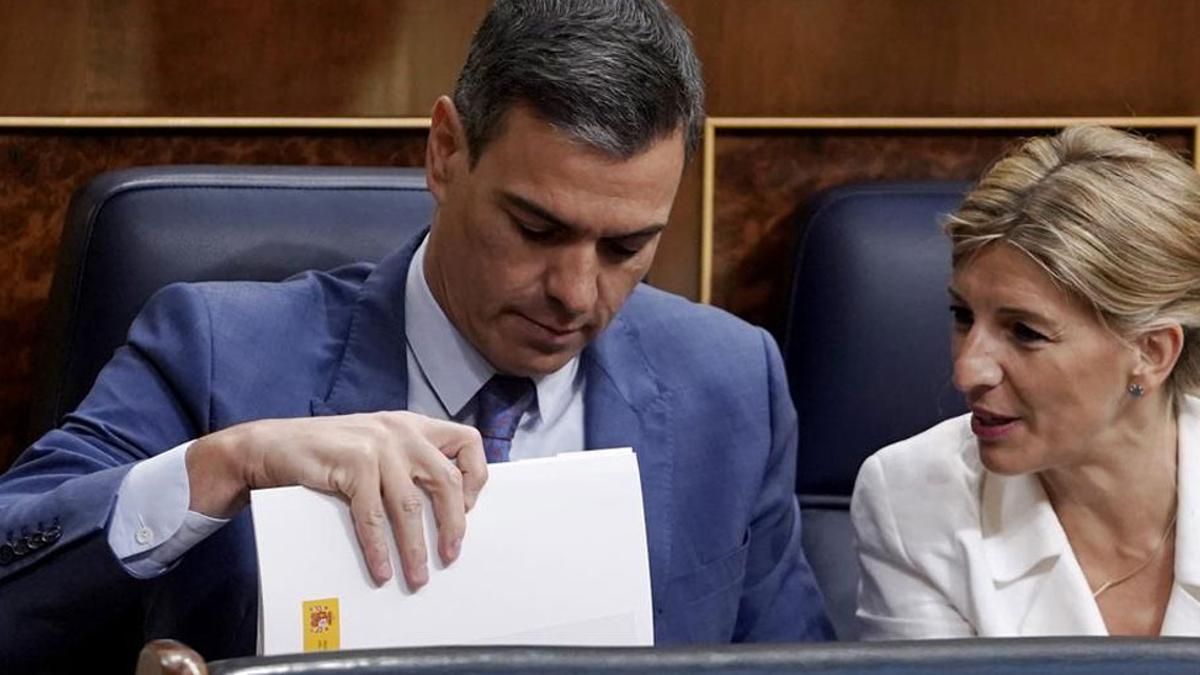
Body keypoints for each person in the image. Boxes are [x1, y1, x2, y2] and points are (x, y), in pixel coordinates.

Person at [0, 0, 832, 668]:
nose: (576, 294)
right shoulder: (217, 352)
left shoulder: (729, 381)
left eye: (625, 247)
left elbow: (793, 660)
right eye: (536, 229)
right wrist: (229, 463)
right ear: (444, 153)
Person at [852, 125, 1200, 639]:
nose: (968, 371)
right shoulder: (913, 499)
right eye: (963, 315)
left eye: (1025, 332)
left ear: (1150, 352)